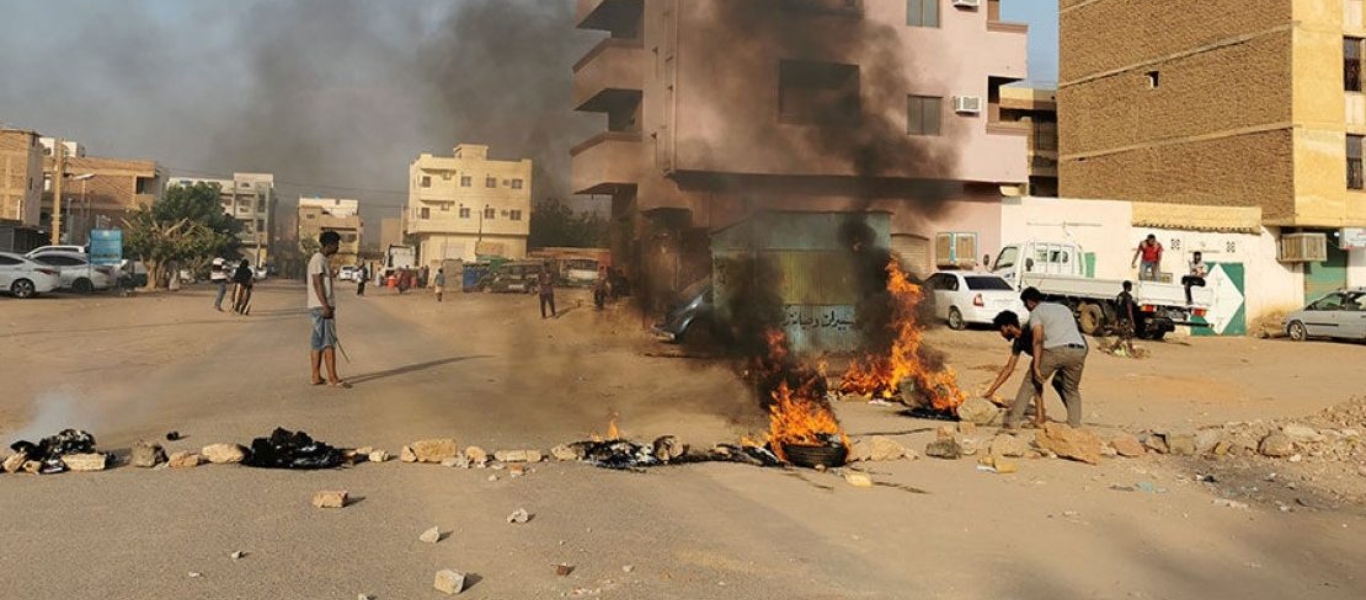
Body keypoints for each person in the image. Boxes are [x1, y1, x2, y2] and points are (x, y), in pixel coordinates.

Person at [1004, 287, 1089, 429]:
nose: (1027, 309)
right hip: (1079, 350)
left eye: (1026, 305)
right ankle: (1075, 427)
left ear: (1030, 302)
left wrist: (1036, 365)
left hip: (1055, 350)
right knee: (1071, 389)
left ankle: (1013, 423)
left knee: (1030, 383)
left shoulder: (1037, 313)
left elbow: (1038, 339)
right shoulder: (1063, 309)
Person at [983, 310, 1050, 427]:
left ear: (1008, 326)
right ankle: (1040, 416)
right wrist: (991, 391)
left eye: (1001, 330)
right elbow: (1009, 368)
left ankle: (1029, 419)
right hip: (1042, 358)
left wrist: (1037, 365)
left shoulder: (1030, 330)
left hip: (1052, 353)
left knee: (1033, 381)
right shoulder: (1018, 342)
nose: (1001, 334)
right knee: (1037, 382)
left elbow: (1041, 342)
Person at [308, 231, 348, 388]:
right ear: (329, 244)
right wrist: (325, 305)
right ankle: (333, 378)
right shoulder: (318, 260)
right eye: (336, 244)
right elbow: (317, 283)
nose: (337, 247)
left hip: (319, 305)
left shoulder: (321, 260)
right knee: (328, 342)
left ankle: (316, 376)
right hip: (322, 307)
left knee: (317, 342)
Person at [1115, 280, 1139, 352]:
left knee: (1126, 334)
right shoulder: (1128, 297)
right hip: (1125, 318)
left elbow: (1117, 307)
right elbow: (1129, 310)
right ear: (1128, 287)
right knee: (1126, 335)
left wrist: (1117, 319)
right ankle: (1115, 347)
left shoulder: (1120, 295)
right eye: (1131, 286)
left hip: (1120, 318)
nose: (1131, 287)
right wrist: (1132, 321)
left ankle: (1130, 349)